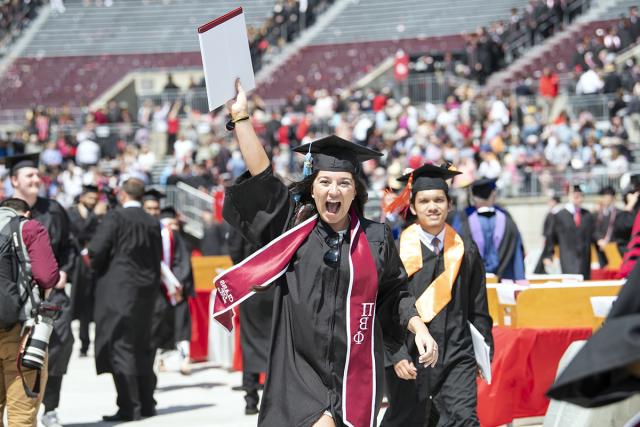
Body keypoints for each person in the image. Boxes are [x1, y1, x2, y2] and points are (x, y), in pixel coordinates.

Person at [214, 81, 437, 427]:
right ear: (312, 187)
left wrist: (418, 327)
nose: (334, 190)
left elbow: (395, 293)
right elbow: (263, 176)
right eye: (325, 182)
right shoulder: (293, 231)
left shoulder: (375, 238)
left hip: (354, 368)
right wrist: (241, 116)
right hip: (300, 370)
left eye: (343, 183)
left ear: (355, 192)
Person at [380, 164, 494, 427]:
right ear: (412, 207)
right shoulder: (397, 251)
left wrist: (483, 352)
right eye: (424, 201)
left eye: (439, 200)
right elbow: (385, 310)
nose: (432, 207)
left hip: (457, 352)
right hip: (411, 354)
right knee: (407, 420)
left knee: (462, 419)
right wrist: (396, 356)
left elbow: (478, 307)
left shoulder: (465, 250)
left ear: (449, 205)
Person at [6, 153, 75, 427]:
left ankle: (51, 407)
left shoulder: (54, 209)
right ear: (14, 181)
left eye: (37, 175)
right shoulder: (5, 211)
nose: (36, 180)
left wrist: (65, 271)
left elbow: (69, 245)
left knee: (60, 344)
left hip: (51, 294)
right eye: (29, 176)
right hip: (16, 299)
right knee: (21, 354)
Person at [88, 178, 162, 421]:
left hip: (119, 290)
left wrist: (97, 264)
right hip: (146, 292)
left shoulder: (115, 217)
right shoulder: (152, 222)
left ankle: (130, 406)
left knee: (119, 346)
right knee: (142, 346)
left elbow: (96, 250)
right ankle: (147, 403)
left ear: (121, 195)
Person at [0, 198, 59, 427]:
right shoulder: (29, 227)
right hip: (21, 333)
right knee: (21, 416)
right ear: (26, 213)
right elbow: (47, 276)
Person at [227, 228, 273, 415]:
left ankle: (251, 399)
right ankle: (272, 397)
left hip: (249, 284)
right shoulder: (280, 215)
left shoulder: (242, 221)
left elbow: (235, 251)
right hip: (273, 282)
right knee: (275, 342)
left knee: (250, 342)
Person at [452, 178, 525, 281]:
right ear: (493, 195)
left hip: (471, 284)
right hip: (504, 284)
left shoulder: (462, 219)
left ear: (473, 196)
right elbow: (518, 251)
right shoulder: (507, 219)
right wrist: (520, 279)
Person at [67, 185, 106, 357]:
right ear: (82, 197)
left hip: (94, 265)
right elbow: (79, 234)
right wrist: (95, 217)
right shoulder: (72, 213)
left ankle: (92, 343)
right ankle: (77, 342)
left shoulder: (99, 214)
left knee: (93, 305)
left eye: (95, 199)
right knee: (78, 305)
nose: (92, 202)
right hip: (78, 266)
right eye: (89, 198)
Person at [543, 185, 595, 279]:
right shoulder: (559, 215)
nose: (577, 197)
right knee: (571, 281)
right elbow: (551, 236)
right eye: (574, 195)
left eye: (579, 195)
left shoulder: (587, 215)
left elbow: (594, 234)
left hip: (584, 258)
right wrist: (548, 254)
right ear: (569, 196)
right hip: (568, 256)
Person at [592, 186, 621, 268]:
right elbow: (593, 229)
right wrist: (599, 239)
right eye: (603, 196)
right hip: (599, 248)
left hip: (614, 248)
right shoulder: (596, 214)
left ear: (613, 198)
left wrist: (608, 241)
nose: (605, 198)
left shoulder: (619, 213)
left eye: (608, 196)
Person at [534, 194, 562, 274]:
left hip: (553, 245)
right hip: (550, 243)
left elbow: (550, 232)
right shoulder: (553, 213)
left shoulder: (555, 214)